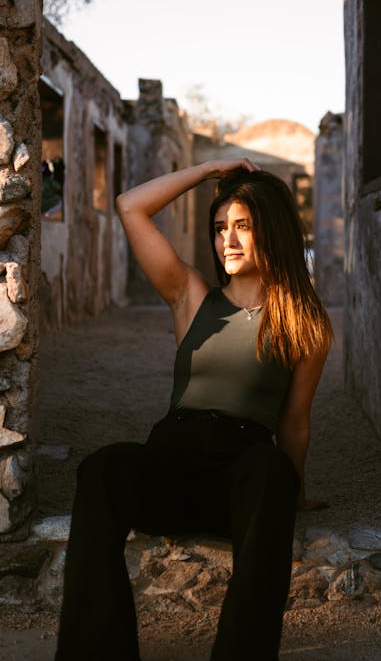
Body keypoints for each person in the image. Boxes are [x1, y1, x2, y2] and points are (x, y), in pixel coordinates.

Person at [55, 158, 332, 661]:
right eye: (221, 227)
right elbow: (129, 206)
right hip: (173, 463)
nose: (228, 239)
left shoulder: (304, 322)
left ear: (271, 229)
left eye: (243, 226)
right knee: (100, 469)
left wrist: (294, 491)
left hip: (238, 479)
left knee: (272, 470)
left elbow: (294, 423)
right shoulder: (192, 296)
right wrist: (210, 171)